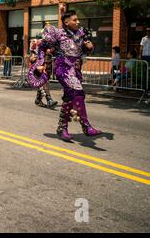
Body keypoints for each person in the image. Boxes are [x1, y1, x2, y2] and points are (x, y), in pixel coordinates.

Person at [28, 10, 101, 141]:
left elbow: (85, 49)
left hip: (76, 69)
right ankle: (86, 125)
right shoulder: (58, 33)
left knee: (69, 98)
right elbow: (42, 46)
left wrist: (88, 47)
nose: (78, 22)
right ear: (66, 22)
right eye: (75, 20)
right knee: (78, 93)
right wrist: (41, 62)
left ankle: (62, 128)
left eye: (78, 19)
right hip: (63, 68)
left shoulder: (81, 33)